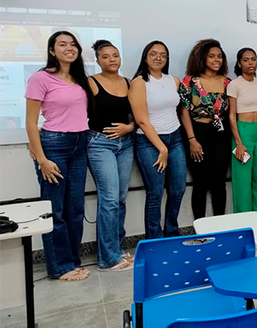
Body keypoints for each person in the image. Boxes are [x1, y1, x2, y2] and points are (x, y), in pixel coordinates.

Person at [25, 31, 92, 281]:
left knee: (75, 209)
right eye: (62, 44)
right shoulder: (40, 78)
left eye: (73, 44)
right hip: (53, 145)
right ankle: (59, 267)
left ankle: (72, 261)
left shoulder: (79, 78)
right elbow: (31, 123)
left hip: (79, 143)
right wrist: (42, 159)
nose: (69, 48)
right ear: (52, 51)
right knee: (55, 209)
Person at [129, 41, 186, 239]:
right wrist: (162, 149)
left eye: (163, 54)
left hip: (175, 138)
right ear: (145, 57)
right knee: (155, 193)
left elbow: (178, 109)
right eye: (153, 54)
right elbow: (141, 120)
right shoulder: (138, 83)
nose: (158, 58)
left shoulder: (174, 80)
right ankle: (155, 238)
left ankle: (172, 233)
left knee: (178, 189)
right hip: (149, 142)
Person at [86, 40, 134, 271]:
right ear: (98, 60)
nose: (112, 59)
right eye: (106, 56)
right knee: (109, 200)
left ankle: (117, 248)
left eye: (115, 55)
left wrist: (130, 127)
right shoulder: (91, 82)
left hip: (126, 144)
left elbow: (138, 114)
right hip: (100, 144)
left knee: (120, 199)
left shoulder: (128, 82)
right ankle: (107, 258)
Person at [179, 39, 231, 219]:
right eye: (212, 56)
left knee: (219, 183)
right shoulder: (189, 82)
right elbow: (184, 112)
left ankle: (219, 226)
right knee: (201, 183)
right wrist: (192, 140)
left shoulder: (227, 83)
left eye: (219, 56)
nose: (217, 60)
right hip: (197, 133)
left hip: (221, 134)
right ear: (202, 58)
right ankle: (200, 229)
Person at [228, 47, 257, 213]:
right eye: (246, 60)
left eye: (253, 59)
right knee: (243, 180)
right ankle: (243, 220)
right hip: (242, 131)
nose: (250, 63)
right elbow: (231, 116)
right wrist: (238, 142)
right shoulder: (234, 85)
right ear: (239, 63)